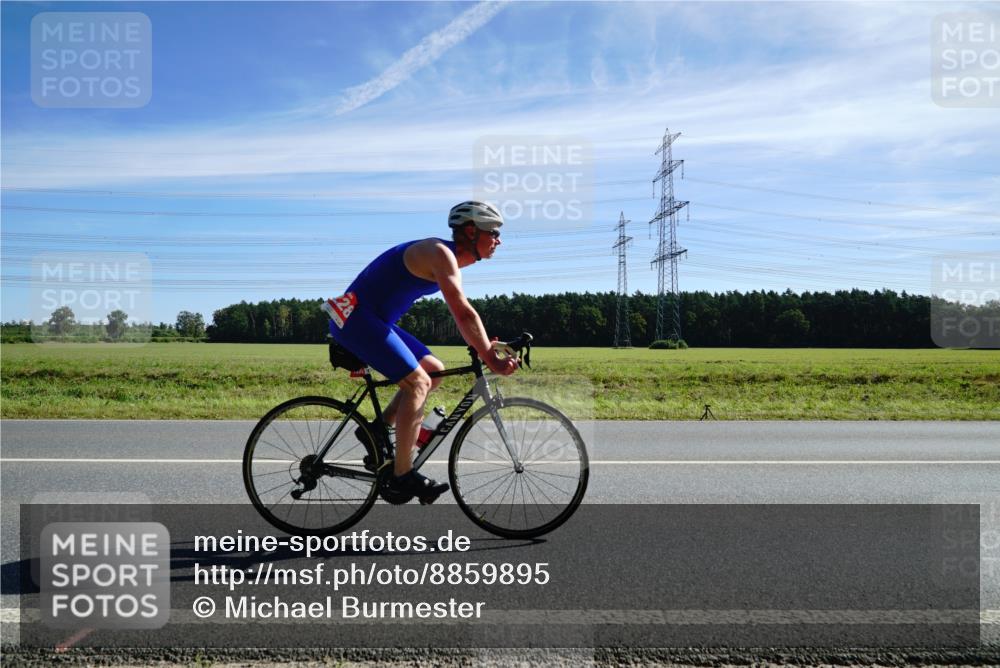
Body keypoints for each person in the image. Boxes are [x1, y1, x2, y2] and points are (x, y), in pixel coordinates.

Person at [322, 201, 518, 502]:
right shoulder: (440, 253)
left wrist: (484, 346)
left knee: (433, 370)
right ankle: (403, 475)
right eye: (493, 232)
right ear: (470, 231)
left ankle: (377, 430)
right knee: (419, 382)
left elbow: (466, 317)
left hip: (370, 319)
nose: (499, 240)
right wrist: (489, 357)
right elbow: (462, 313)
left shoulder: (445, 257)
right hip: (355, 319)